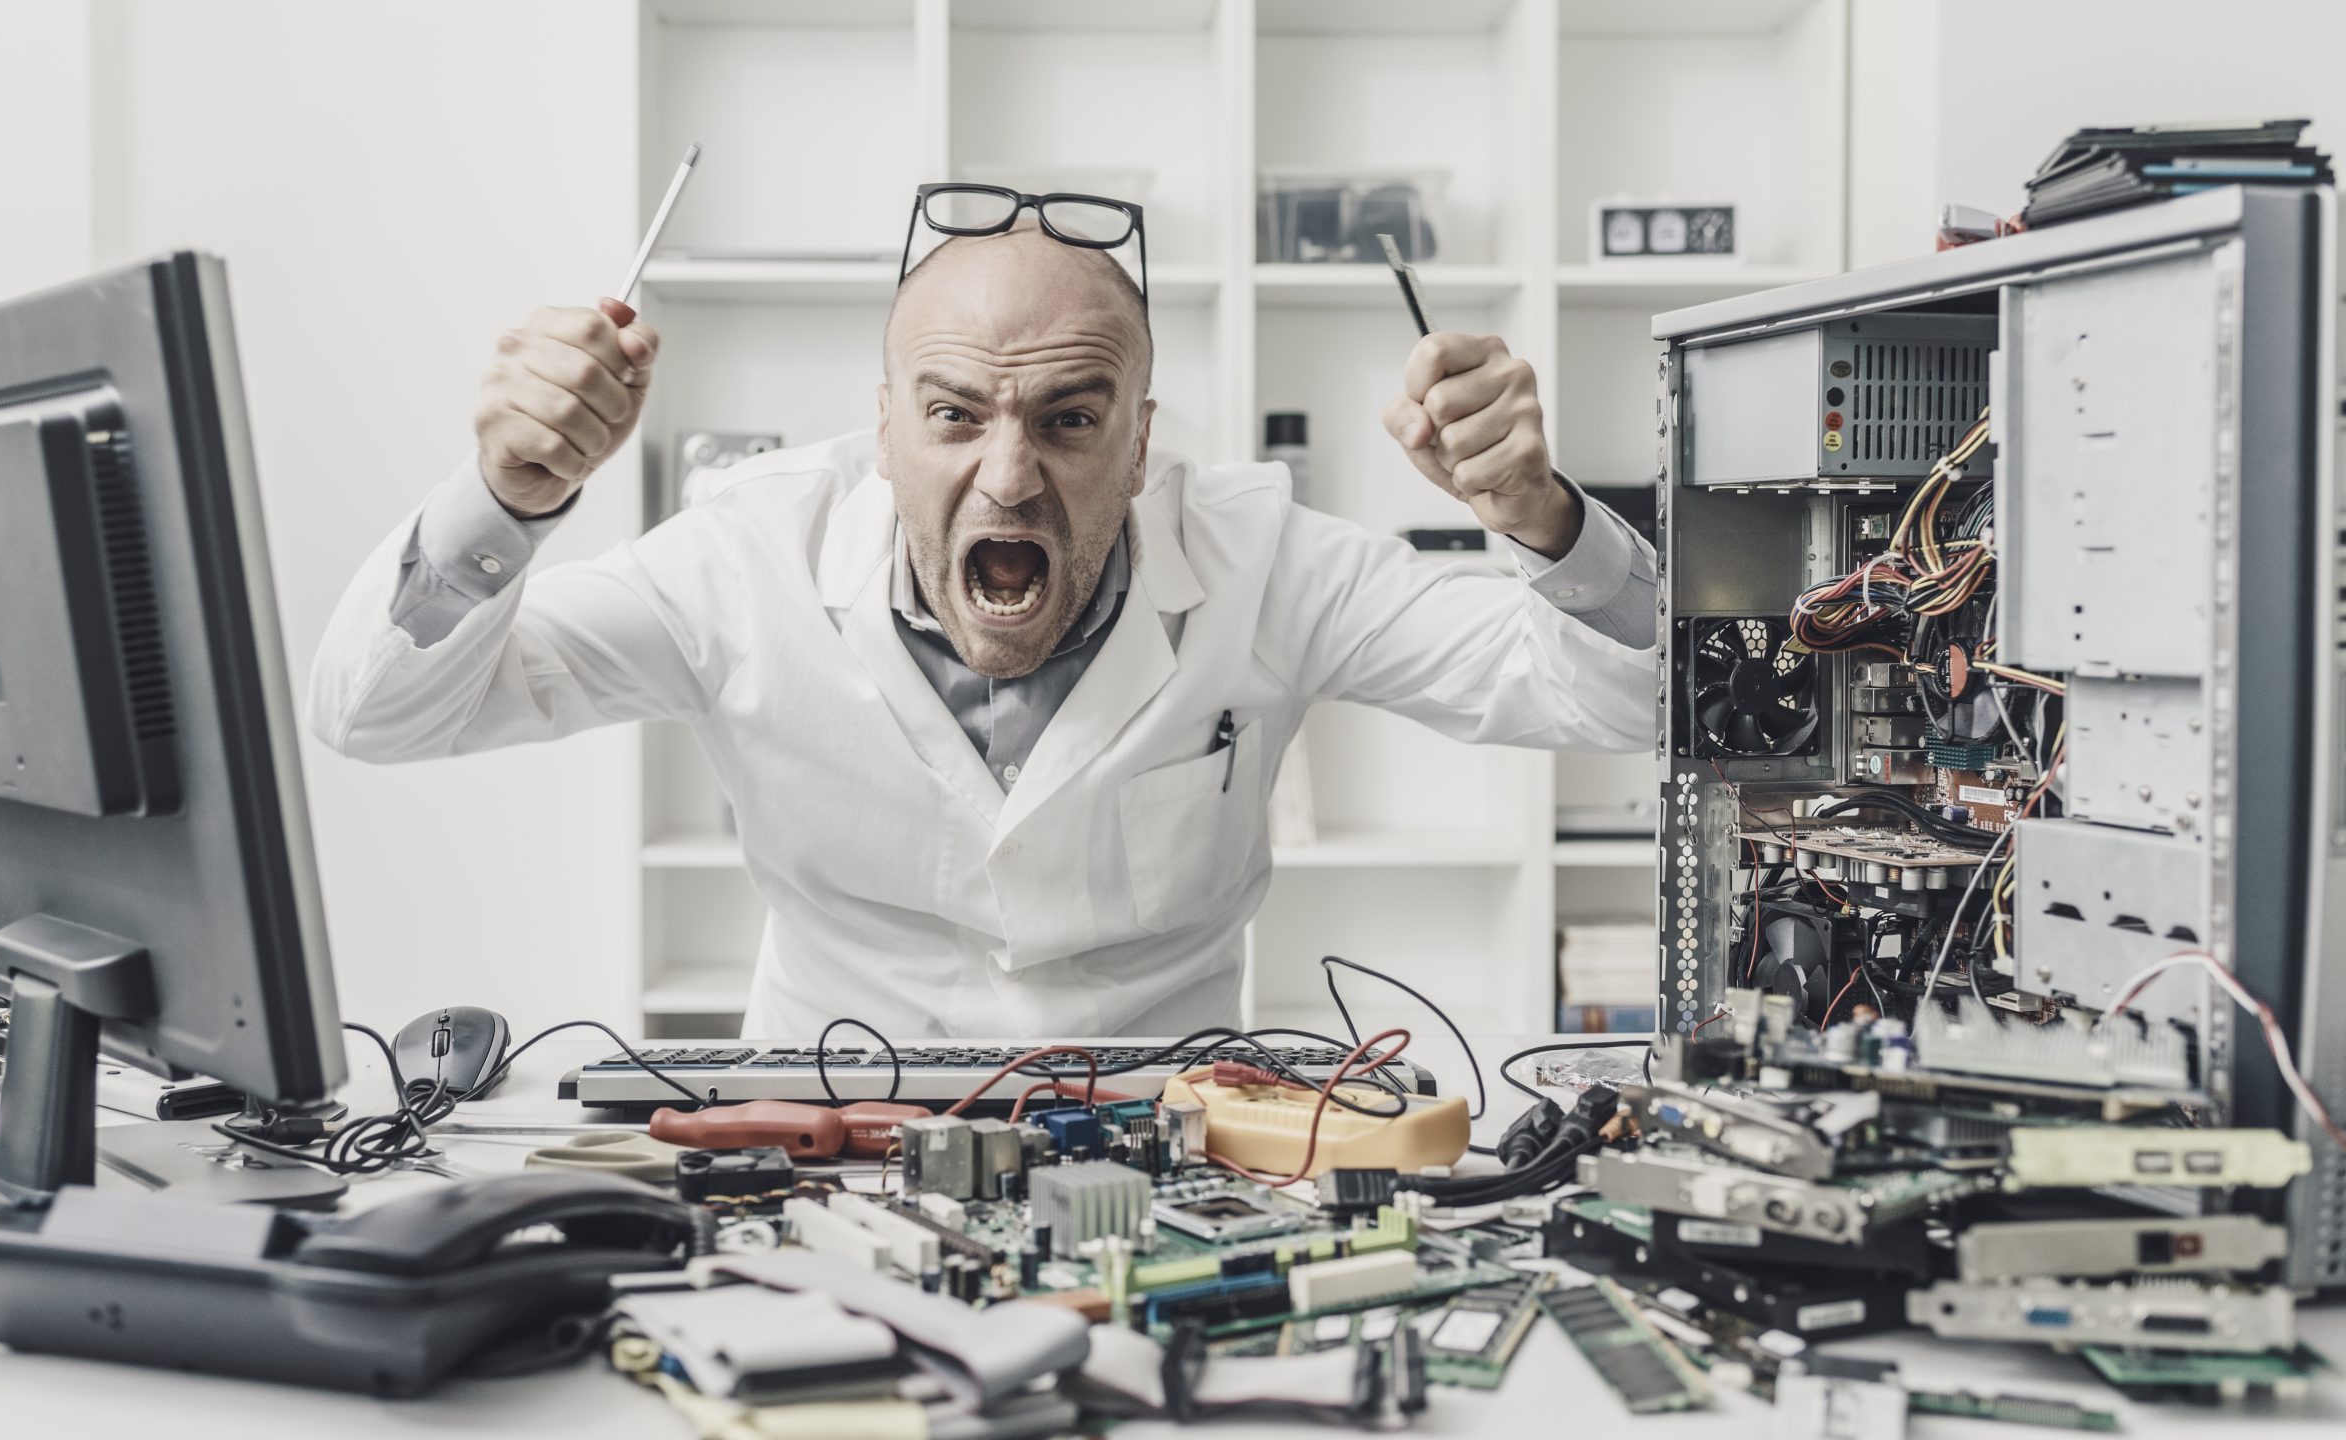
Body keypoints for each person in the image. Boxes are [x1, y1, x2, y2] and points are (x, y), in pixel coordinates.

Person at [307, 193, 1657, 1039]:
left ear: (1142, 442)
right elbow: (375, 711)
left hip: (1163, 1154)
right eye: (954, 415)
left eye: (1070, 420)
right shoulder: (742, 559)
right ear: (881, 431)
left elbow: (1636, 702)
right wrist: (508, 495)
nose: (1008, 476)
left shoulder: (1268, 562)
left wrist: (1539, 514)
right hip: (825, 1140)